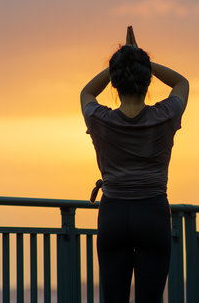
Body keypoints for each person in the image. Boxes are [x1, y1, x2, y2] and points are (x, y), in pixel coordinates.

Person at [80, 26, 189, 303]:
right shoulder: (165, 115)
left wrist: (121, 61)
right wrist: (142, 62)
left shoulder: (99, 118)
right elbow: (182, 83)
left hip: (113, 215)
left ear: (115, 82)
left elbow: (86, 92)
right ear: (148, 81)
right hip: (152, 213)